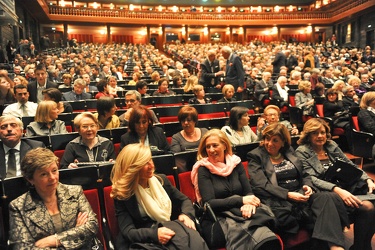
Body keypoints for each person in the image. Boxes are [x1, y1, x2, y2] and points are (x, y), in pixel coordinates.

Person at [247, 123, 348, 250]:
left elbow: (305, 174)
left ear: (283, 142)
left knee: (327, 197)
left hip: (300, 193)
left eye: (275, 140)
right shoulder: (256, 156)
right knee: (314, 214)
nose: (269, 143)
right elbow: (261, 185)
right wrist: (287, 194)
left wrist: (307, 185)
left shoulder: (288, 151)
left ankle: (335, 247)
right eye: (267, 139)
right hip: (279, 198)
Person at [191, 129, 281, 249]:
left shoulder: (235, 163)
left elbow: (248, 191)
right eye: (208, 147)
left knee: (266, 236)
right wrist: (241, 201)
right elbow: (209, 203)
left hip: (243, 210)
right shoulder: (203, 169)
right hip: (222, 215)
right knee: (254, 237)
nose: (211, 150)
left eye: (215, 145)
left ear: (224, 145)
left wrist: (248, 204)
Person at [295, 118, 375, 250]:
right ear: (308, 135)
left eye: (323, 132)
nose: (320, 136)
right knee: (367, 207)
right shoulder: (302, 151)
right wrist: (337, 190)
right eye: (315, 133)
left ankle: (361, 246)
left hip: (345, 188)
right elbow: (310, 178)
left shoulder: (331, 145)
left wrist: (367, 179)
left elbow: (350, 165)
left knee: (372, 201)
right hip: (324, 195)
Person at [111, 143, 209, 250]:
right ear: (133, 168)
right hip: (145, 239)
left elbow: (184, 200)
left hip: (170, 229)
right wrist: (154, 234)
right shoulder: (122, 194)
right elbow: (128, 231)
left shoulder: (161, 180)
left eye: (150, 160)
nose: (151, 166)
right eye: (145, 163)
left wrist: (186, 214)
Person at [8, 148, 99, 249]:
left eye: (54, 171)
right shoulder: (18, 206)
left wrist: (55, 240)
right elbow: (22, 248)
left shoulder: (74, 192)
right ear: (30, 179)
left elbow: (91, 227)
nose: (52, 177)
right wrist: (75, 233)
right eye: (44, 174)